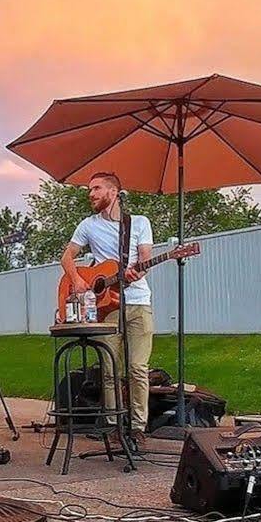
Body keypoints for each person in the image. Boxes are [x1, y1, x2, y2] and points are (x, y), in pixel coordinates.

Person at [60, 171, 154, 441]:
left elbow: (145, 258)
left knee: (138, 368)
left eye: (97, 188)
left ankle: (138, 427)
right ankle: (113, 425)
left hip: (138, 302)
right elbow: (67, 256)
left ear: (113, 192)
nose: (91, 194)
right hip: (106, 307)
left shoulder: (138, 223)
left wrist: (139, 272)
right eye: (90, 189)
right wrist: (77, 279)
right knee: (111, 370)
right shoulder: (88, 225)